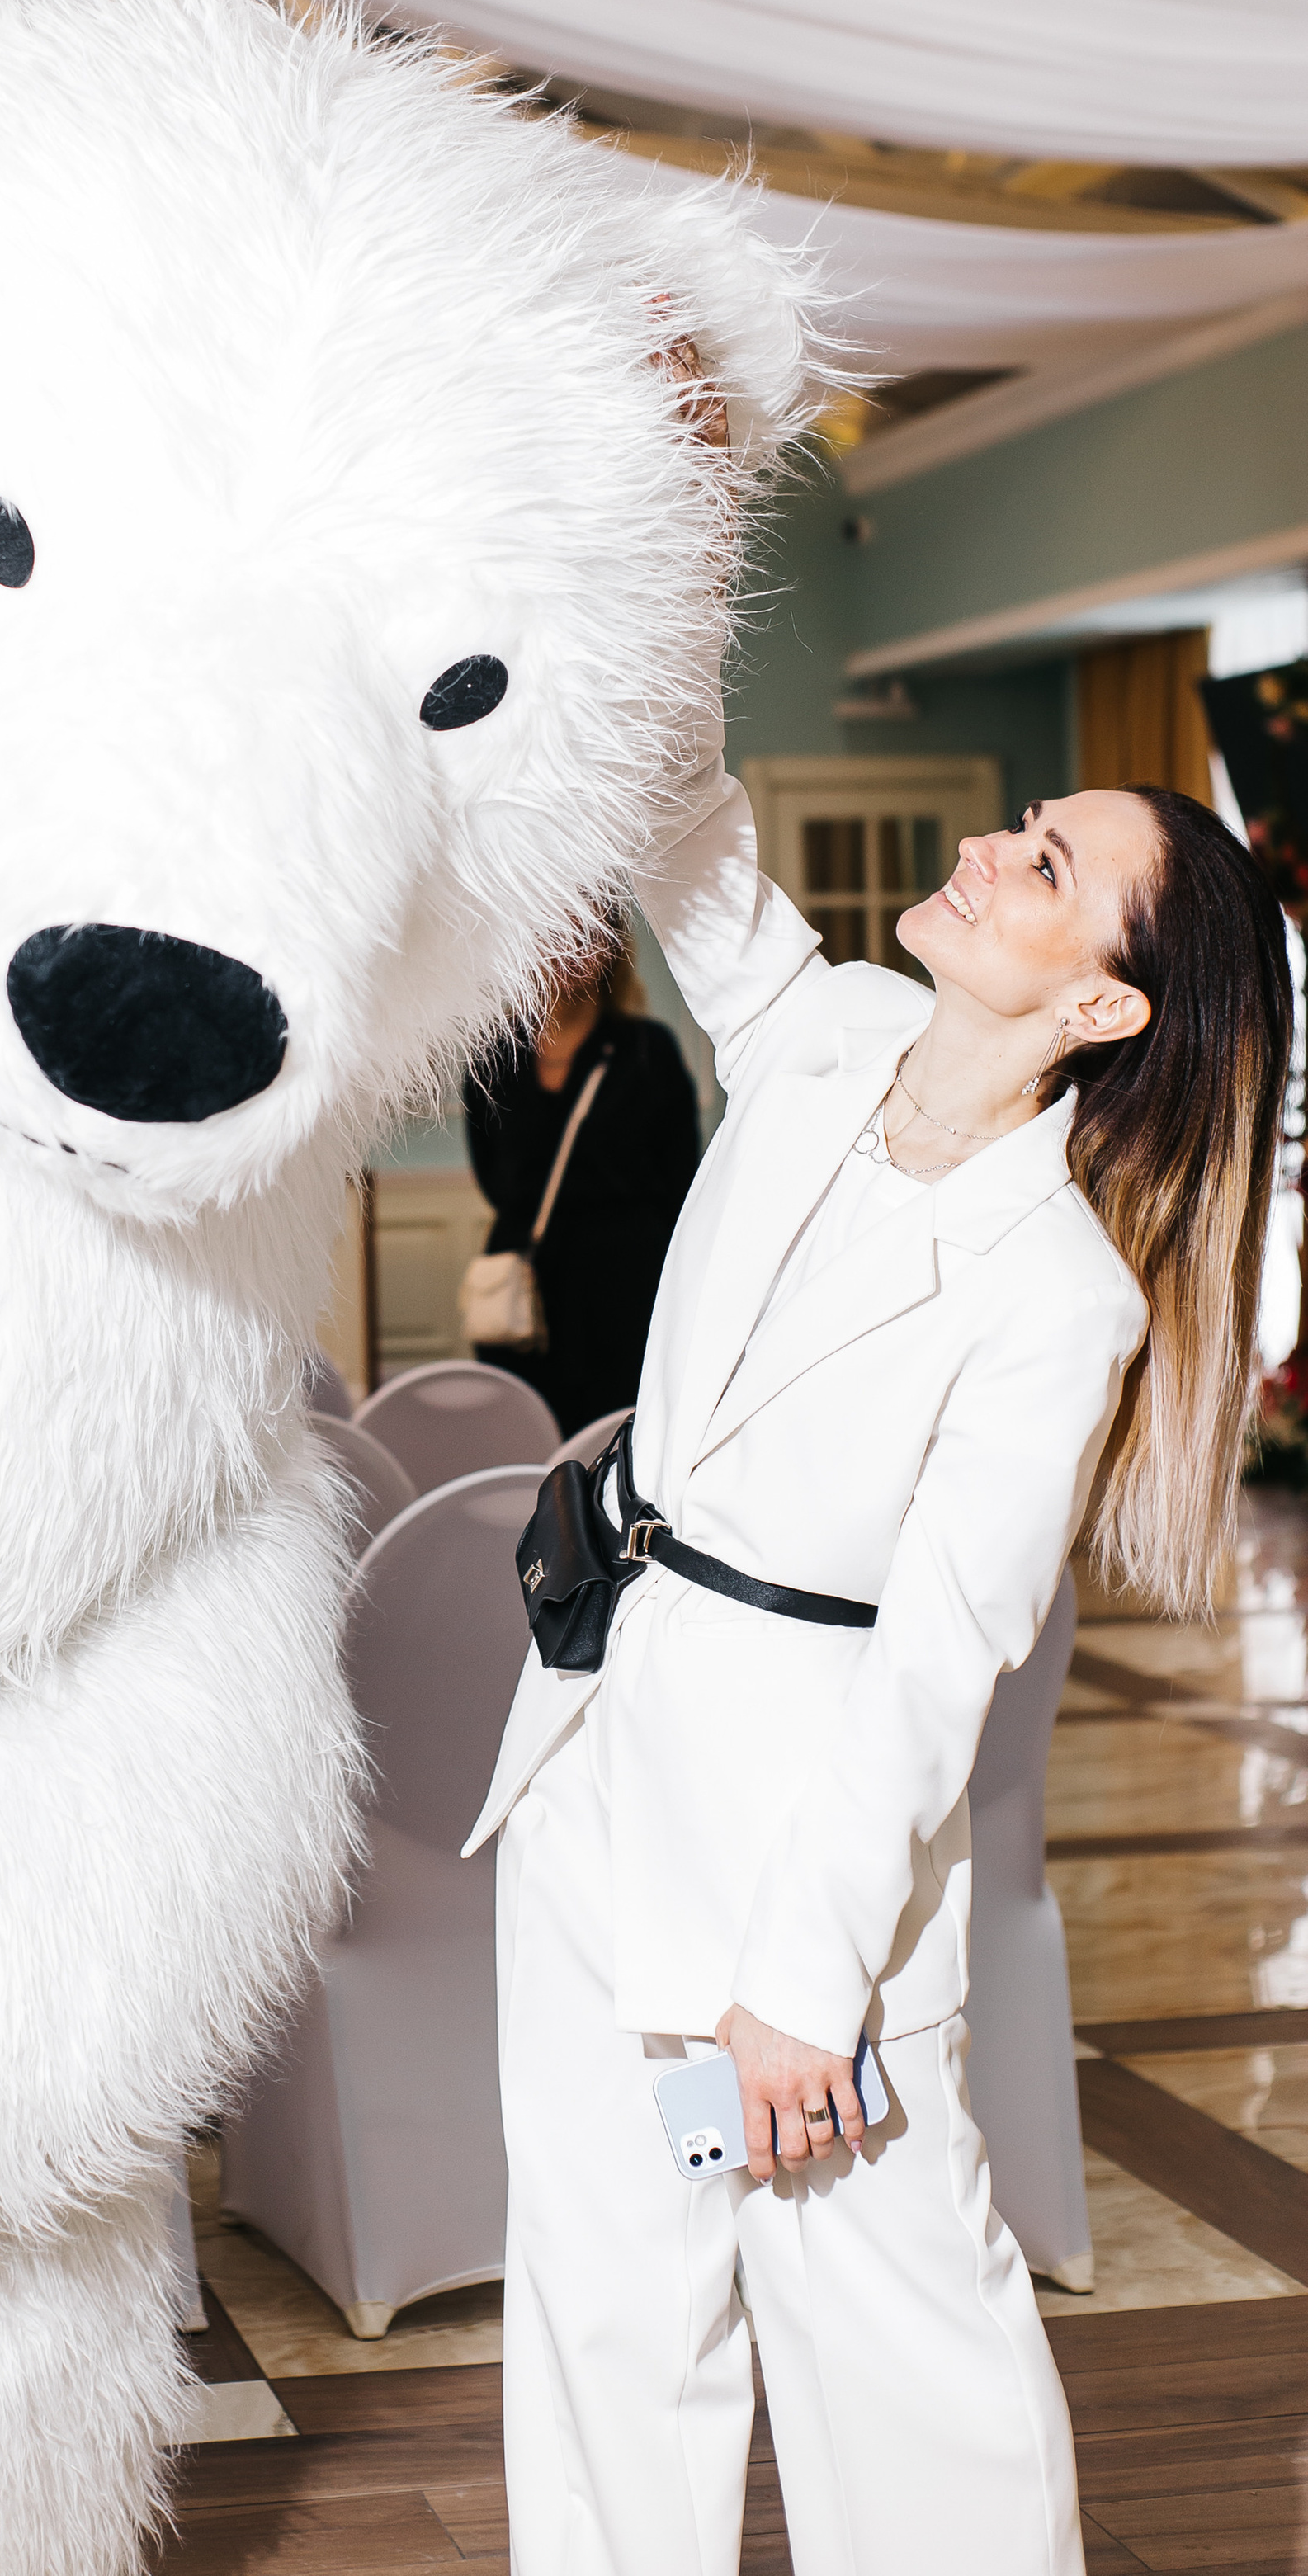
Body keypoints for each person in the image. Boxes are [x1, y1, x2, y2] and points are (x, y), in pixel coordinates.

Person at [471, 753, 1291, 2576]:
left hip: (790, 1874)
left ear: (1096, 999)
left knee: (889, 2344)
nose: (987, 850)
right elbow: (682, 825)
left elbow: (938, 1671)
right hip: (593, 1774)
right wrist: (653, 519)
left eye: (1044, 860)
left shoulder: (1052, 1296)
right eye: (1020, 822)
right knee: (606, 2309)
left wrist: (801, 1978)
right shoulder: (826, 1032)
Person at [462, 944, 700, 1436]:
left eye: (587, 931)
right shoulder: (492, 1056)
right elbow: (491, 1174)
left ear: (611, 949)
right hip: (523, 1285)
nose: (568, 950)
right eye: (555, 927)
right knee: (523, 1434)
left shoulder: (646, 1050)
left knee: (617, 1439)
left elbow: (681, 1182)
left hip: (626, 1284)